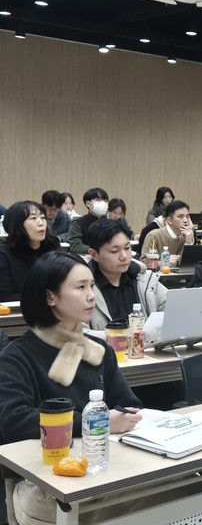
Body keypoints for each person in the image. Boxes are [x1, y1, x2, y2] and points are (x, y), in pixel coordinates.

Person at [0, 251, 142, 522]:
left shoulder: (99, 350)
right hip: (41, 480)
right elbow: (14, 421)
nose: (92, 296)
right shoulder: (17, 356)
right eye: (80, 287)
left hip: (100, 467)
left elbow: (129, 405)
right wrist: (97, 423)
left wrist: (125, 417)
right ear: (50, 297)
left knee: (180, 485)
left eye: (92, 285)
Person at [86, 218, 166, 331]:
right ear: (94, 254)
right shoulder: (82, 287)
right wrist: (120, 337)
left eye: (127, 248)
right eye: (114, 251)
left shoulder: (144, 279)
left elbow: (173, 311)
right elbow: (79, 332)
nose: (124, 256)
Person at [0, 201, 60, 301]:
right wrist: (46, 296)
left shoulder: (52, 246)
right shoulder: (3, 253)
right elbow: (4, 296)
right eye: (33, 218)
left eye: (43, 217)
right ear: (17, 224)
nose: (41, 223)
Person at [140, 200, 194, 266]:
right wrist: (164, 262)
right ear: (169, 220)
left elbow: (188, 264)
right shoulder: (154, 236)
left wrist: (188, 243)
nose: (185, 220)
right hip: (159, 272)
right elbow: (144, 263)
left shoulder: (189, 235)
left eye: (187, 216)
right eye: (180, 216)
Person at [66, 187, 109, 255]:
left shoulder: (110, 222)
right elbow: (75, 245)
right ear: (88, 203)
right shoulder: (78, 223)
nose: (103, 203)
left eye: (105, 200)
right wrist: (94, 251)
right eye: (98, 200)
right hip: (86, 257)